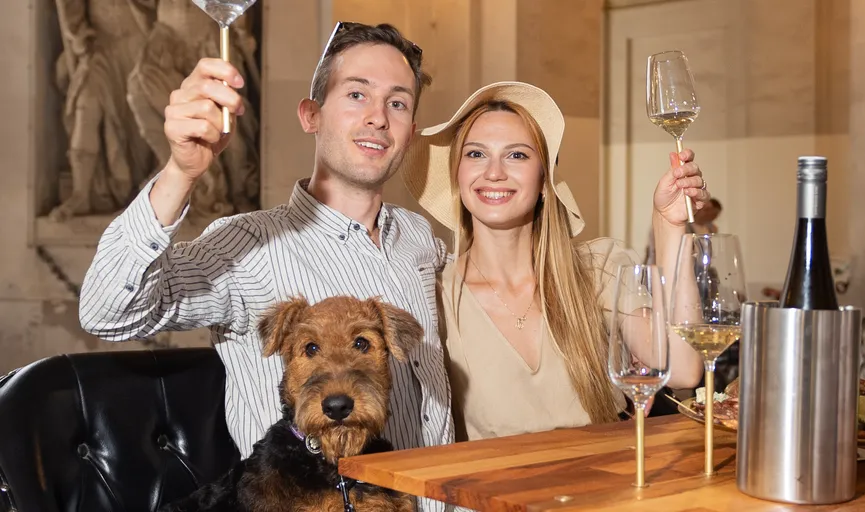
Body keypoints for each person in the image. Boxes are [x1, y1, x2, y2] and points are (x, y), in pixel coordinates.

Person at [78, 22, 451, 511]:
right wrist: (181, 173)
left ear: (411, 133)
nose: (379, 116)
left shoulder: (421, 240)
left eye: (398, 103)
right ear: (311, 115)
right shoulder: (246, 243)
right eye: (357, 94)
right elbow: (108, 311)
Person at [400, 82, 706, 441]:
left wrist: (669, 224)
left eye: (517, 155)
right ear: (458, 175)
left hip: (602, 490)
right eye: (476, 154)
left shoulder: (595, 269)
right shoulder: (432, 294)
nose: (494, 172)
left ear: (545, 181)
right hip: (487, 496)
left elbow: (684, 368)